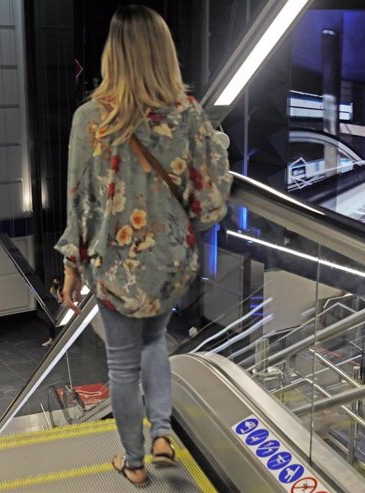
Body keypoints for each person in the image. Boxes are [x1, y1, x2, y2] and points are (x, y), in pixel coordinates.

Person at [56, 5, 231, 487]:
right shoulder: (188, 113)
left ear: (114, 55)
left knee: (121, 360)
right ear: (164, 54)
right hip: (171, 262)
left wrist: (72, 265)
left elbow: (80, 198)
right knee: (155, 341)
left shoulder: (91, 118)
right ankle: (162, 435)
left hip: (117, 265)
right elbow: (212, 191)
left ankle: (133, 463)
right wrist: (220, 140)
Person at [42, 276, 64, 347]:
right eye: (54, 283)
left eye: (57, 283)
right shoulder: (52, 289)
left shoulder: (65, 288)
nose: (56, 285)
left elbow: (61, 300)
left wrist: (58, 292)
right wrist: (57, 292)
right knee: (51, 322)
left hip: (65, 307)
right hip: (58, 307)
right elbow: (58, 300)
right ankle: (51, 339)